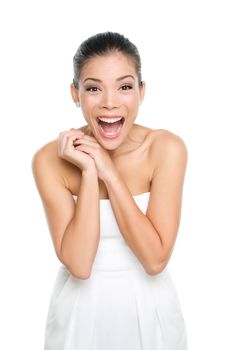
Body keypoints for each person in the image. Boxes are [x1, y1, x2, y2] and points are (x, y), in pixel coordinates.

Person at [32, 31, 188, 350]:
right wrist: (90, 170)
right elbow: (79, 264)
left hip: (151, 312)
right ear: (75, 94)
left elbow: (155, 259)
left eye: (125, 86)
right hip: (78, 315)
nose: (110, 102)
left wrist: (107, 168)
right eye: (93, 88)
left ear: (141, 92)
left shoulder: (165, 149)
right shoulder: (49, 159)